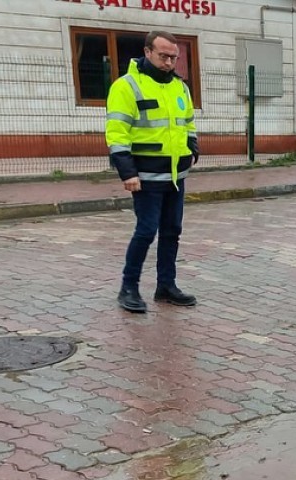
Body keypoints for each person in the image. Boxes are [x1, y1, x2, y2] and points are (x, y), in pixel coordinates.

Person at [106, 30, 200, 313]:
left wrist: (193, 148)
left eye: (173, 57)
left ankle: (166, 286)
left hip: (175, 177)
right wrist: (127, 172)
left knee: (172, 231)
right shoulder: (126, 86)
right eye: (163, 56)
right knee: (146, 231)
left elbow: (188, 122)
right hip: (145, 177)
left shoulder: (179, 87)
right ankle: (129, 287)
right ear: (147, 52)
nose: (169, 62)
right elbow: (117, 132)